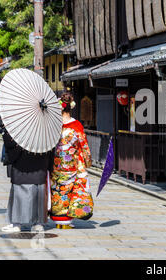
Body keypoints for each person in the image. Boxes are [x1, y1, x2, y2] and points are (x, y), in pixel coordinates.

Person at [50, 92, 92, 229]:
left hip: (55, 164)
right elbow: (84, 145)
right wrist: (87, 160)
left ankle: (58, 221)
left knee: (58, 191)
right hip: (72, 164)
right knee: (71, 192)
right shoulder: (76, 125)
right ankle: (67, 221)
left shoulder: (53, 125)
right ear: (71, 107)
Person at [1, 130, 54, 233]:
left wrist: (5, 134)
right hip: (40, 167)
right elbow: (51, 149)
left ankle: (17, 224)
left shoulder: (21, 126)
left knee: (19, 196)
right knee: (38, 196)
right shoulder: (46, 130)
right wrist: (49, 167)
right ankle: (38, 224)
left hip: (21, 167)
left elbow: (10, 146)